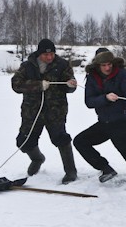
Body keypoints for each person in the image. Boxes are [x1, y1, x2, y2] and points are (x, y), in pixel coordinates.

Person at [11, 38, 79, 184]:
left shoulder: (62, 65)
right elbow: (16, 84)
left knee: (61, 139)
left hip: (55, 111)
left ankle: (71, 171)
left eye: (52, 54)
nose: (49, 57)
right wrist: (37, 85)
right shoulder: (27, 66)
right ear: (39, 54)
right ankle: (37, 159)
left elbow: (69, 84)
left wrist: (71, 85)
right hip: (32, 112)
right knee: (24, 141)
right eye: (46, 55)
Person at [74, 48, 126, 183]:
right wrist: (105, 98)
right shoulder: (92, 77)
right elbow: (89, 101)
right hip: (104, 122)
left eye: (109, 64)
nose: (107, 67)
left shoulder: (121, 73)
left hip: (120, 120)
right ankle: (106, 169)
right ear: (97, 65)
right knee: (80, 141)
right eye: (104, 65)